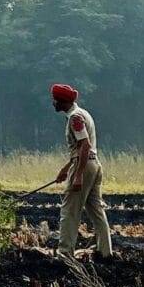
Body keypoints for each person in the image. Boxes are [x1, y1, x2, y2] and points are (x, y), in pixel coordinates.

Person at [50, 83, 112, 259]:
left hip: (84, 167)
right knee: (96, 210)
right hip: (94, 164)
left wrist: (77, 175)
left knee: (70, 210)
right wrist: (65, 169)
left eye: (55, 100)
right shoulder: (83, 113)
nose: (53, 103)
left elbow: (85, 145)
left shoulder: (75, 118)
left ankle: (64, 253)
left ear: (62, 102)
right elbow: (80, 147)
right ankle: (105, 252)